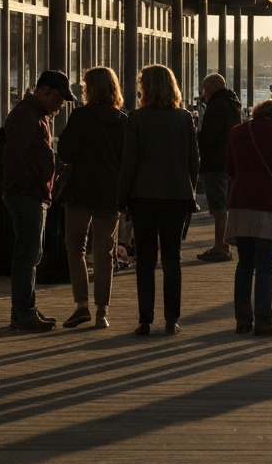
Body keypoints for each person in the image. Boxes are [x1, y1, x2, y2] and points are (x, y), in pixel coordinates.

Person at [118, 65, 199, 336]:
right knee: (172, 258)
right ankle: (171, 319)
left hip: (143, 196)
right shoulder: (184, 118)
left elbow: (129, 162)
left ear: (147, 87)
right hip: (176, 195)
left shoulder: (137, 119)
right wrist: (191, 193)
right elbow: (193, 161)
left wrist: (122, 198)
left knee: (145, 259)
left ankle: (145, 319)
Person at [2, 70, 74, 332]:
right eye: (59, 98)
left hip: (32, 195)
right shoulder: (26, 115)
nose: (61, 105)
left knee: (31, 254)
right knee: (28, 255)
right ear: (44, 91)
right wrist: (33, 186)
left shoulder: (37, 115)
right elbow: (13, 159)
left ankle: (26, 309)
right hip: (27, 196)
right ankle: (23, 313)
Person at [57, 66, 127, 330]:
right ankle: (102, 311)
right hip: (110, 193)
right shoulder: (123, 120)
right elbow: (127, 159)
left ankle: (81, 304)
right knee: (104, 251)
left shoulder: (81, 116)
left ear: (90, 88)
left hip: (80, 191)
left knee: (75, 246)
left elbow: (65, 151)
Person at [224, 98, 272, 336]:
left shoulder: (237, 132)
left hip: (239, 204)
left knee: (244, 264)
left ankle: (242, 319)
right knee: (265, 266)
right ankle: (264, 320)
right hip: (266, 205)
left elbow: (229, 167)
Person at [196, 73, 242, 263]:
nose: (204, 94)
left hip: (215, 163)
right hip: (229, 161)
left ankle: (221, 247)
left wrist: (196, 139)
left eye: (205, 89)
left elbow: (209, 135)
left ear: (212, 87)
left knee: (218, 208)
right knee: (224, 205)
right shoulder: (233, 105)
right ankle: (225, 244)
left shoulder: (216, 106)